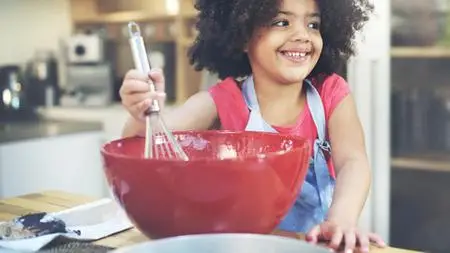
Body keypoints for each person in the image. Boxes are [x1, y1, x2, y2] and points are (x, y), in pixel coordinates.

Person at [119, 0, 387, 252]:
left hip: (315, 245)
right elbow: (147, 143)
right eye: (282, 22)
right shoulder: (223, 101)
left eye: (313, 24)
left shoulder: (331, 93)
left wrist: (341, 219)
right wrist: (142, 112)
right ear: (243, 35)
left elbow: (353, 161)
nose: (302, 35)